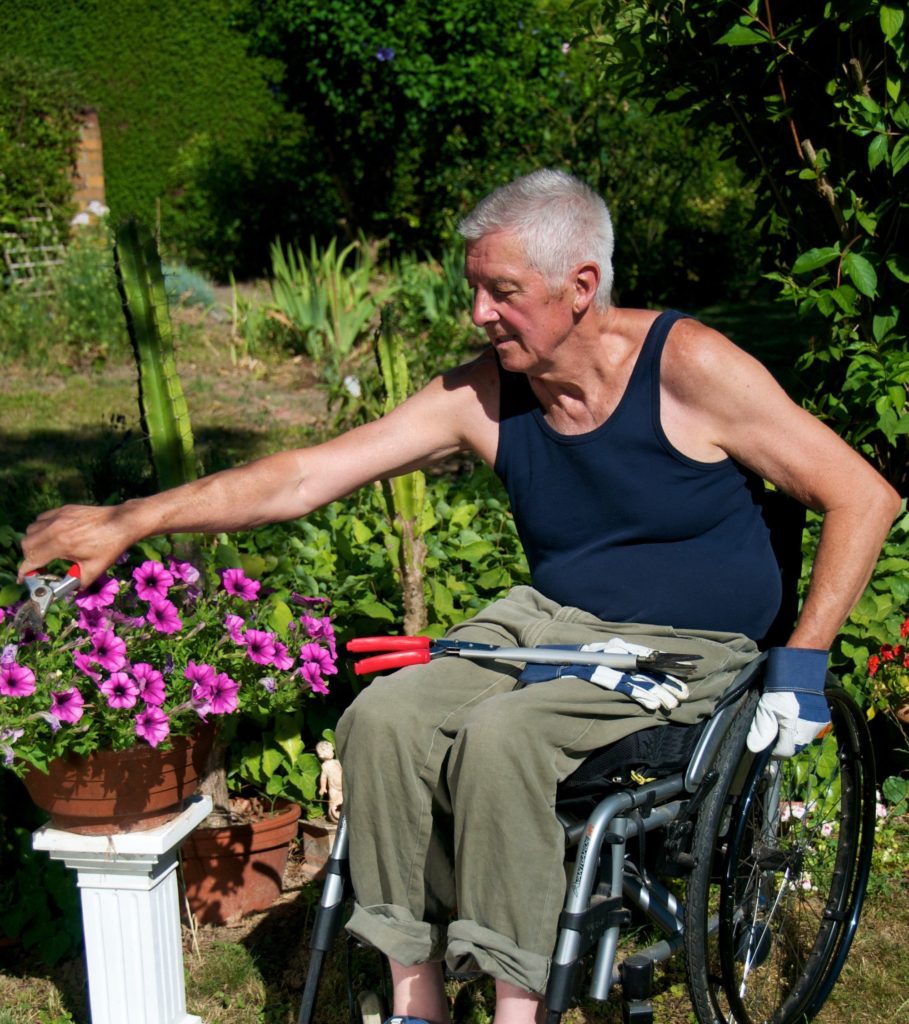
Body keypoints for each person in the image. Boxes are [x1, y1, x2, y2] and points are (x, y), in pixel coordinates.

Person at [19, 169, 899, 1024]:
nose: (479, 314)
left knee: (502, 737)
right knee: (382, 720)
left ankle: (517, 1001)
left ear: (580, 286)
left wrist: (805, 660)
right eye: (474, 290)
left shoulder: (690, 366)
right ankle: (416, 991)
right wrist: (131, 519)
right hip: (545, 626)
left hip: (684, 648)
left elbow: (860, 495)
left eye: (502, 292)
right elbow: (302, 477)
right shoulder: (485, 393)